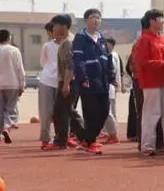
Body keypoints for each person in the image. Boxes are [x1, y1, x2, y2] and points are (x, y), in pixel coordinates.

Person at [134, 9, 164, 157]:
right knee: (151, 113)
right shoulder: (144, 39)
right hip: (151, 82)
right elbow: (143, 62)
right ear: (152, 21)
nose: (163, 21)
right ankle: (148, 145)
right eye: (160, 19)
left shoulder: (162, 39)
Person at [72, 8, 116, 154]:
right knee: (91, 113)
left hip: (102, 82)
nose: (96, 20)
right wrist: (83, 78)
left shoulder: (102, 39)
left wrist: (111, 77)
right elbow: (77, 60)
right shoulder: (80, 38)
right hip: (88, 81)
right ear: (86, 20)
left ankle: (87, 138)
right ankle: (90, 142)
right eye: (92, 17)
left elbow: (107, 59)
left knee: (104, 111)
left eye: (98, 18)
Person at [0, 30, 26, 147]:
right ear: (8, 38)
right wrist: (22, 85)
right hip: (12, 84)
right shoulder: (15, 50)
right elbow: (20, 69)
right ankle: (6, 126)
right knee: (10, 109)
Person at [51, 15, 86, 150]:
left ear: (63, 26)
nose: (54, 28)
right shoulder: (68, 41)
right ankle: (84, 137)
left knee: (61, 112)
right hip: (70, 80)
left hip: (68, 81)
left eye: (55, 25)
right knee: (68, 111)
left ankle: (61, 141)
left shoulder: (68, 43)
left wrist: (66, 84)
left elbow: (70, 65)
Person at [37, 22, 61, 150]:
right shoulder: (47, 46)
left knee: (60, 112)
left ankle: (61, 137)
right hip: (47, 80)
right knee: (45, 111)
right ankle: (45, 138)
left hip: (61, 81)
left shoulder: (68, 44)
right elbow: (43, 63)